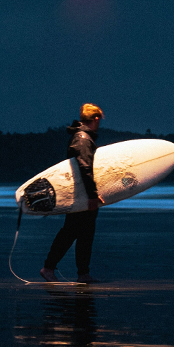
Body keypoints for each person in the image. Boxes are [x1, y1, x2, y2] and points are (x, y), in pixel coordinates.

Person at [40, 103, 106, 283]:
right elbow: (85, 168)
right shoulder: (83, 138)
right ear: (96, 118)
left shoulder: (82, 137)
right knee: (71, 232)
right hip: (80, 195)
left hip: (82, 193)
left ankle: (82, 273)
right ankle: (49, 268)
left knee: (84, 234)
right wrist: (92, 196)